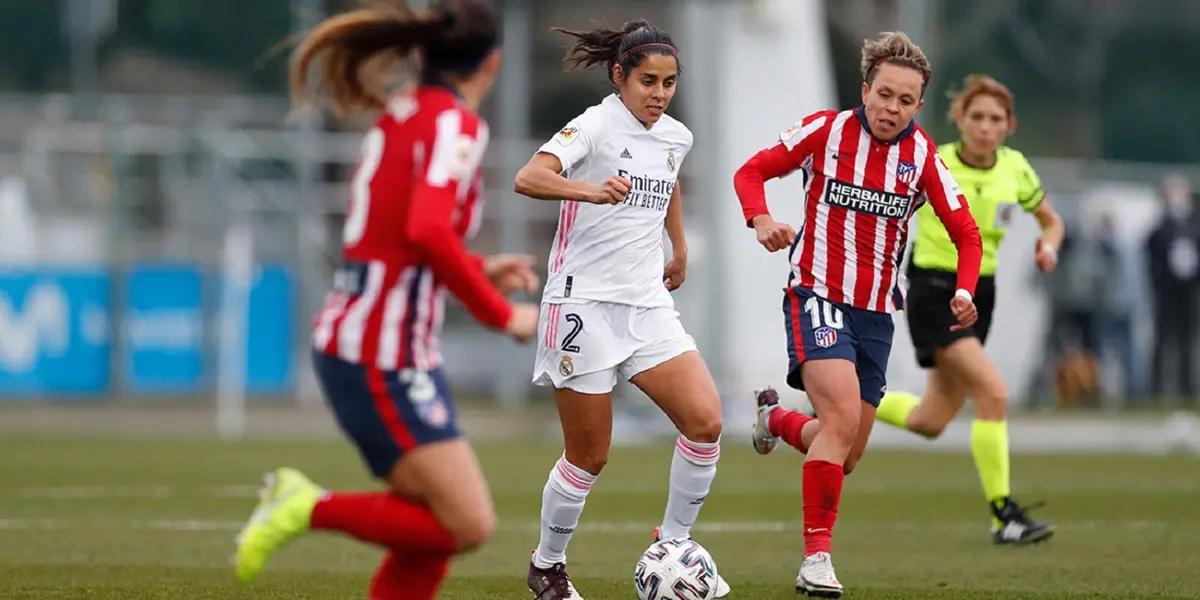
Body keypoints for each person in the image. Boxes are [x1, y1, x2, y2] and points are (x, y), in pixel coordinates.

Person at [233, 2, 540, 599]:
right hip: (381, 352)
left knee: (429, 530)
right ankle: (304, 505)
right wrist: (501, 314)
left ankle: (305, 506)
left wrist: (477, 268)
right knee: (467, 522)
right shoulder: (455, 124)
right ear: (493, 64)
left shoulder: (405, 113)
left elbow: (397, 237)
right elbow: (427, 229)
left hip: (378, 343)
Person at [735, 32, 982, 597]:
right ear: (865, 89)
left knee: (845, 452)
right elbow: (751, 171)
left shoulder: (923, 157)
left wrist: (965, 290)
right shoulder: (825, 130)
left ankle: (776, 420)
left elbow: (966, 234)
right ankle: (815, 562)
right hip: (815, 293)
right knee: (842, 420)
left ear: (919, 105)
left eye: (905, 100)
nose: (891, 109)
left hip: (875, 315)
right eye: (884, 94)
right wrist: (760, 219)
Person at [513, 20, 728, 600]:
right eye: (647, 82)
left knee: (706, 421)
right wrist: (589, 190)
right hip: (581, 303)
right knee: (589, 454)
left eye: (669, 83)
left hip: (646, 306)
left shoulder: (675, 136)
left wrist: (678, 247)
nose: (658, 94)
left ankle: (675, 545)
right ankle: (547, 565)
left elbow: (671, 181)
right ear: (619, 77)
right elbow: (529, 177)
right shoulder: (594, 125)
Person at [866, 74, 1063, 543]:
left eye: (996, 119)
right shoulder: (935, 162)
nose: (985, 127)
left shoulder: (1015, 168)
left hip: (982, 293)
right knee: (993, 393)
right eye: (977, 116)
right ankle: (1004, 517)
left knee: (929, 420)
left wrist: (1048, 247)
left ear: (1009, 126)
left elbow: (1052, 221)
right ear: (959, 119)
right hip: (935, 290)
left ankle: (845, 403)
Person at [1146, 174, 1200, 399]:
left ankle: (1187, 389)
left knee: (1187, 343)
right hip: (1166, 293)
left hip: (1188, 293)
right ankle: (1156, 391)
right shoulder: (1161, 227)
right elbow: (1152, 249)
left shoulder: (1194, 224)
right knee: (1162, 341)